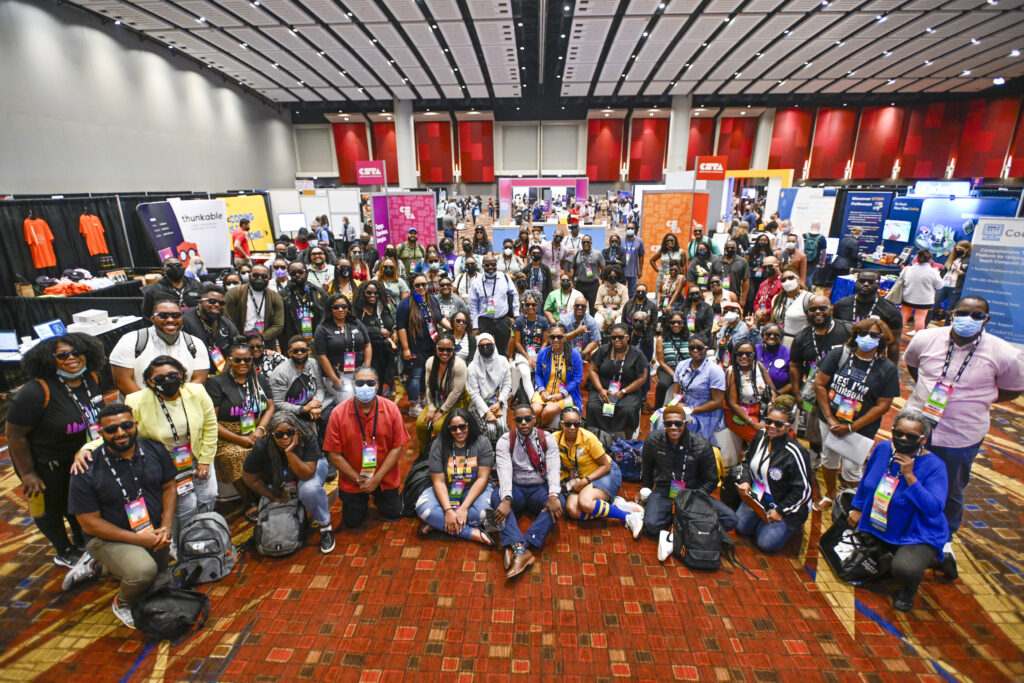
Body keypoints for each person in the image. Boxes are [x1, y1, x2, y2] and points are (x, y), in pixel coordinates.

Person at [903, 295, 1024, 575]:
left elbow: (1013, 389)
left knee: (952, 488)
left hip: (961, 435)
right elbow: (913, 366)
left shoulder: (1003, 353)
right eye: (963, 313)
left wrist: (977, 400)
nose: (968, 319)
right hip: (916, 426)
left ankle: (944, 539)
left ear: (987, 320)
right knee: (906, 475)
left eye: (977, 315)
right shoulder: (926, 338)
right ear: (951, 313)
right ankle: (906, 525)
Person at [72, 356, 219, 550]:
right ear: (149, 382)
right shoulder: (137, 400)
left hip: (197, 455)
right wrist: (85, 449)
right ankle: (177, 543)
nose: (167, 380)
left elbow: (210, 425)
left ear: (181, 375)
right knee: (185, 506)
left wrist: (205, 460)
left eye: (172, 375)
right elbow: (119, 429)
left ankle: (201, 533)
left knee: (209, 495)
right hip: (166, 461)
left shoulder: (197, 391)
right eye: (160, 379)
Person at [65, 404, 177, 627]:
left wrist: (166, 526)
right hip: (106, 537)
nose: (120, 433)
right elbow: (89, 523)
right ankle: (122, 603)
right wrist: (139, 540)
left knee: (163, 578)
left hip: (148, 529)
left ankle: (100, 567)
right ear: (100, 433)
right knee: (143, 572)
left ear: (135, 425)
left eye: (126, 426)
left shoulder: (154, 449)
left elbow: (169, 488)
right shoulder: (86, 468)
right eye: (111, 429)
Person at [7, 334, 106, 572]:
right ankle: (63, 550)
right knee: (49, 509)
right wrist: (28, 473)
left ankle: (82, 542)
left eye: (77, 352)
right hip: (44, 464)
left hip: (81, 459)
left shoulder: (91, 377)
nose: (71, 358)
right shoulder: (36, 391)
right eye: (62, 355)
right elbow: (15, 436)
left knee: (77, 504)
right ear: (49, 360)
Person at [845, 410, 949, 611]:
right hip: (881, 519)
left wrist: (910, 476)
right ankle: (894, 553)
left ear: (923, 439)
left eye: (910, 436)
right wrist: (857, 508)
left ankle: (914, 583)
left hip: (917, 530)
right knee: (842, 516)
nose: (902, 439)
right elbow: (866, 481)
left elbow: (933, 508)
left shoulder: (936, 466)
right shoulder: (883, 448)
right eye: (898, 433)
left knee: (905, 569)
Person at [814, 318, 900, 509]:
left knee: (852, 469)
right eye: (862, 333)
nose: (867, 338)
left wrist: (851, 427)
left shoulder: (887, 368)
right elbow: (819, 384)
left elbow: (883, 405)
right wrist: (830, 419)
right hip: (830, 420)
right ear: (854, 335)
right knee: (829, 458)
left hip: (860, 427)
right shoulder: (839, 355)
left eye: (874, 335)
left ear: (882, 339)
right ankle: (830, 494)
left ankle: (854, 503)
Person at [323, 367, 410, 528]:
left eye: (370, 383)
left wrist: (376, 479)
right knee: (352, 522)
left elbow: (397, 447)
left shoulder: (391, 409)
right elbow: (334, 454)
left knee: (393, 512)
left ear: (377, 385)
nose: (365, 387)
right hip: (353, 479)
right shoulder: (338, 413)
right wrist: (358, 478)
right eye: (360, 383)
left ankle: (380, 495)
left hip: (384, 476)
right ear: (353, 385)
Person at [641, 404, 738, 543]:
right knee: (651, 525)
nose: (673, 427)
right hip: (665, 490)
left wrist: (692, 498)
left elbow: (711, 480)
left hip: (694, 492)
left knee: (730, 519)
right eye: (669, 423)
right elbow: (647, 466)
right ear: (664, 424)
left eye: (678, 423)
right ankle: (689, 523)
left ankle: (682, 520)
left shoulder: (702, 444)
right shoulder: (653, 439)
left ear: (685, 423)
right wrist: (647, 490)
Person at [242, 413, 335, 554]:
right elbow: (248, 477)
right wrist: (272, 496)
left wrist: (289, 452)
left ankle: (325, 528)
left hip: (312, 466)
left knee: (309, 490)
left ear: (296, 430)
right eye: (279, 435)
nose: (285, 437)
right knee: (277, 490)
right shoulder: (263, 445)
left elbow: (308, 473)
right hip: (282, 476)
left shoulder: (307, 436)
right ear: (272, 435)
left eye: (290, 432)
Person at [490, 405, 564, 580]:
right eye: (519, 419)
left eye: (527, 418)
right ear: (513, 421)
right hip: (517, 489)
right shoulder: (505, 440)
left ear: (534, 419)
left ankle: (518, 546)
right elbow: (504, 470)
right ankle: (520, 550)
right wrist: (507, 498)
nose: (523, 423)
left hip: (540, 489)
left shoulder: (547, 439)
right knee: (495, 496)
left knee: (560, 500)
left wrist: (553, 494)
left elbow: (554, 468)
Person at [205, 339, 275, 523]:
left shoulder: (259, 379)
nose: (243, 364)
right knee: (231, 456)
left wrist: (260, 429)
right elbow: (212, 420)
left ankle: (268, 491)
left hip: (258, 427)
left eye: (247, 360)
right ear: (229, 360)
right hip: (228, 433)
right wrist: (238, 439)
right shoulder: (217, 383)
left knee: (275, 448)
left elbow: (270, 407)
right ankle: (249, 499)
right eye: (238, 360)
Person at [735, 395, 812, 553]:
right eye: (768, 421)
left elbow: (804, 491)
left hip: (784, 504)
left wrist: (781, 511)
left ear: (788, 427)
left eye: (779, 424)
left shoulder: (796, 452)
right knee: (740, 527)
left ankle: (790, 526)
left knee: (766, 544)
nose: (772, 426)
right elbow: (746, 461)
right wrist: (745, 480)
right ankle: (762, 522)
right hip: (758, 496)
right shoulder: (761, 436)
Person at [554, 406, 643, 533]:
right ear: (561, 424)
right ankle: (612, 505)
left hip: (606, 472)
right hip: (582, 478)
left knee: (585, 503)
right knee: (573, 510)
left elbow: (605, 466)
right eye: (568, 424)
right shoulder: (555, 439)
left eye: (576, 424)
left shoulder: (588, 438)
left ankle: (629, 517)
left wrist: (585, 480)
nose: (572, 428)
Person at [416, 409, 496, 545]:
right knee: (423, 508)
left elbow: (482, 478)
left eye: (462, 426)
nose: (458, 431)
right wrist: (448, 510)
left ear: (469, 425)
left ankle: (439, 524)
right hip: (447, 490)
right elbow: (439, 481)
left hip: (476, 490)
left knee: (486, 513)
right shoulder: (438, 444)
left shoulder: (483, 442)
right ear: (448, 429)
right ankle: (471, 533)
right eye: (453, 428)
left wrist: (464, 508)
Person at [788, 295, 851, 466]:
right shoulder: (802, 337)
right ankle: (815, 454)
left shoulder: (847, 330)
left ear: (830, 308)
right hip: (810, 394)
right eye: (813, 309)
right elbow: (795, 366)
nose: (818, 312)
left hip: (843, 393)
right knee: (811, 422)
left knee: (843, 424)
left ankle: (845, 461)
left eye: (822, 308)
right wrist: (797, 393)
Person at [109, 299, 209, 395]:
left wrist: (176, 404)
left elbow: (199, 381)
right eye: (163, 316)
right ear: (152, 318)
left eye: (176, 315)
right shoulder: (131, 340)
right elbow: (123, 382)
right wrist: (151, 406)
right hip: (141, 408)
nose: (170, 320)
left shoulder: (195, 344)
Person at [586, 323, 649, 437]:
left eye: (620, 337)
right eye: (613, 337)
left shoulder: (637, 354)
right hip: (603, 389)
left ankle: (628, 440)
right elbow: (592, 370)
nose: (616, 340)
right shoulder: (603, 350)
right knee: (593, 406)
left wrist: (623, 392)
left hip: (627, 391)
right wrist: (600, 390)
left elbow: (642, 378)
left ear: (628, 337)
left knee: (628, 410)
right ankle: (595, 438)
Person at [397, 275, 444, 417]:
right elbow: (401, 327)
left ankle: (424, 400)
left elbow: (440, 319)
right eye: (418, 285)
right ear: (412, 287)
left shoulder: (432, 300)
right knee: (415, 376)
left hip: (431, 345)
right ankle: (413, 405)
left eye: (424, 284)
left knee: (427, 375)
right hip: (414, 346)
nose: (422, 288)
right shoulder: (405, 304)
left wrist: (455, 328)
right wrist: (405, 348)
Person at [665, 333, 725, 443]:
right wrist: (676, 406)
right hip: (684, 408)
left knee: (677, 426)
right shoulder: (682, 365)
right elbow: (676, 392)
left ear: (707, 348)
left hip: (705, 414)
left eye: (700, 348)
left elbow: (718, 402)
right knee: (658, 418)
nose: (695, 351)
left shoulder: (715, 371)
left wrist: (691, 410)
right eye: (692, 348)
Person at [832, 270, 902, 363]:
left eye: (871, 282)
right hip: (843, 356)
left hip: (874, 360)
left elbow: (894, 344)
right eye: (862, 281)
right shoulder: (841, 305)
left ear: (878, 284)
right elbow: (834, 333)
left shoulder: (890, 311)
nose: (865, 284)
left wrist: (891, 369)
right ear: (856, 281)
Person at [416, 333, 470, 453]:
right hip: (437, 399)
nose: (444, 353)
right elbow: (428, 386)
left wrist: (441, 411)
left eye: (449, 350)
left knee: (439, 426)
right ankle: (423, 455)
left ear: (453, 350)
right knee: (421, 424)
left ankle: (445, 453)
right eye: (441, 349)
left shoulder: (459, 365)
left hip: (456, 401)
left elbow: (456, 392)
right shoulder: (430, 362)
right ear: (436, 348)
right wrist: (430, 408)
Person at [315, 293, 372, 405]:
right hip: (338, 375)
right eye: (336, 307)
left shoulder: (356, 323)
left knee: (365, 402)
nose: (340, 309)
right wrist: (334, 379)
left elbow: (367, 344)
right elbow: (321, 355)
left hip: (359, 371)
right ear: (329, 309)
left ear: (348, 308)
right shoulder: (322, 328)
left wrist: (367, 367)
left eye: (344, 306)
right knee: (348, 404)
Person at [270, 336, 327, 435]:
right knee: (306, 433)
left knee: (330, 415)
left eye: (303, 350)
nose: (300, 353)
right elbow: (278, 403)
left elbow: (320, 388)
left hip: (312, 406)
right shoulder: (280, 372)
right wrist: (303, 409)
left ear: (308, 351)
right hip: (290, 412)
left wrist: (316, 403)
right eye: (295, 351)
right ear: (289, 352)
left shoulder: (313, 363)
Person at [532, 323, 583, 427]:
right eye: (552, 337)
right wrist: (542, 391)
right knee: (535, 410)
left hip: (566, 393)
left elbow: (577, 378)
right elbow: (538, 375)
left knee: (548, 411)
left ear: (564, 337)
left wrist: (562, 394)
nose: (556, 340)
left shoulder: (574, 355)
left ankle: (538, 432)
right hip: (545, 391)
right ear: (548, 337)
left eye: (559, 336)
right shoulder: (542, 353)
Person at [725, 340, 776, 443]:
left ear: (754, 355)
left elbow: (772, 389)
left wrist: (771, 406)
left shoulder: (759, 366)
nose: (744, 356)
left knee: (786, 433)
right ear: (735, 355)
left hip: (762, 410)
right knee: (763, 438)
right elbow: (732, 404)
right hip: (740, 414)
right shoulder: (732, 372)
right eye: (740, 354)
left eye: (749, 354)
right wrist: (753, 423)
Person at [182, 283, 237, 375]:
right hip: (193, 375)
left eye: (221, 303)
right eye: (211, 301)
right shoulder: (185, 320)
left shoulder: (226, 323)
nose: (217, 305)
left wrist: (223, 375)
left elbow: (235, 349)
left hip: (221, 375)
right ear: (200, 302)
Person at [225, 264, 285, 347]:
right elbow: (228, 320)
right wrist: (241, 339)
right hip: (240, 344)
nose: (259, 279)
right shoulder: (234, 293)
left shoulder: (275, 297)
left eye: (264, 276)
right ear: (250, 276)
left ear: (269, 278)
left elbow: (279, 324)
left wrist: (260, 339)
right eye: (256, 275)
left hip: (266, 344)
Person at [467, 334, 513, 443]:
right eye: (481, 346)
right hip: (479, 404)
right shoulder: (472, 367)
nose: (485, 348)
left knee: (502, 427)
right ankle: (488, 453)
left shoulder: (503, 361)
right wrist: (487, 412)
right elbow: (474, 394)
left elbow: (507, 385)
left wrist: (500, 402)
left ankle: (502, 451)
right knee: (490, 430)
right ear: (478, 348)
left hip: (498, 402)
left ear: (494, 345)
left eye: (488, 345)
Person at [354, 280, 397, 395]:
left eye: (375, 292)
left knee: (381, 384)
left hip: (384, 352)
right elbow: (356, 328)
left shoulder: (383, 307)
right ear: (363, 293)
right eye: (369, 292)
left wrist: (394, 331)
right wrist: (378, 331)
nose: (373, 295)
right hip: (366, 353)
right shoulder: (356, 310)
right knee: (368, 384)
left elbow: (391, 323)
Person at [469, 255, 518, 356]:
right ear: (482, 266)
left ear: (496, 265)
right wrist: (475, 326)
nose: (490, 267)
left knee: (503, 351)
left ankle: (503, 371)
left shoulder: (504, 277)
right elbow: (473, 305)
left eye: (493, 264)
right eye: (487, 265)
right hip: (484, 321)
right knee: (484, 351)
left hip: (503, 320)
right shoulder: (476, 282)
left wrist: (514, 315)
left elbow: (514, 294)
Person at [512, 291, 549, 400]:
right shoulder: (519, 321)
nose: (530, 307)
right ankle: (533, 400)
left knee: (542, 372)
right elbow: (517, 342)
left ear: (538, 305)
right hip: (523, 355)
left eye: (533, 304)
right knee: (525, 373)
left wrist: (537, 357)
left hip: (539, 354)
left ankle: (540, 396)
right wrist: (528, 358)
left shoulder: (543, 321)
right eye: (528, 304)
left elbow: (545, 342)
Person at [281, 261, 328, 346]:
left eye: (300, 272)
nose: (297, 275)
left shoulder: (318, 292)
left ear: (306, 273)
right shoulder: (283, 295)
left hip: (318, 339)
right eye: (293, 273)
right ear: (289, 275)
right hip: (295, 341)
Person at [900, 249, 943, 336]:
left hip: (908, 297)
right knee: (920, 318)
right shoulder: (933, 272)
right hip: (924, 300)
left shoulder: (908, 269)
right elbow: (940, 286)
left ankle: (895, 335)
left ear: (917, 258)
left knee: (903, 316)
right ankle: (918, 338)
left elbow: (901, 280)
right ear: (930, 259)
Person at [654, 311, 689, 409]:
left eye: (679, 322)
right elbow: (661, 361)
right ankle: (657, 409)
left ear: (684, 323)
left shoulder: (690, 337)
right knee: (662, 385)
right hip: (668, 369)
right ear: (668, 323)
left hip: (686, 369)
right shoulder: (661, 339)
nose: (676, 325)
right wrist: (675, 375)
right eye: (673, 322)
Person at [933, 241, 970, 323]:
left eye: (960, 249)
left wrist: (958, 270)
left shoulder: (968, 260)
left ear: (966, 249)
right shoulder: (953, 258)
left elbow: (967, 276)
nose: (957, 250)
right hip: (945, 284)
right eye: (956, 248)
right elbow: (945, 270)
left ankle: (947, 326)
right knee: (935, 305)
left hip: (956, 287)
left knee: (950, 308)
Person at [570, 235, 604, 314]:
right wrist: (572, 281)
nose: (585, 244)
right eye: (584, 242)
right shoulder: (577, 253)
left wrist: (603, 283)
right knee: (579, 306)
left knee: (593, 308)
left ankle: (592, 324)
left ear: (591, 243)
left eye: (587, 242)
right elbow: (573, 268)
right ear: (581, 243)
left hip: (593, 285)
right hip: (580, 285)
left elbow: (603, 269)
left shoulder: (598, 253)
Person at [756, 324, 792, 394]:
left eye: (776, 335)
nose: (772, 336)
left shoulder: (788, 353)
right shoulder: (753, 350)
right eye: (768, 334)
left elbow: (793, 382)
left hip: (779, 394)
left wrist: (776, 394)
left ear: (781, 338)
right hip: (754, 393)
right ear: (762, 335)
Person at [593, 265, 629, 333]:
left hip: (618, 312)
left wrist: (616, 314)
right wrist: (603, 313)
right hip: (604, 311)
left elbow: (625, 305)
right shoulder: (601, 288)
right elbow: (598, 304)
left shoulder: (623, 288)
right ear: (607, 276)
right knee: (597, 321)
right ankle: (601, 339)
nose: (613, 278)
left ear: (618, 276)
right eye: (610, 276)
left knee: (618, 322)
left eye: (615, 276)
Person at [714, 300, 750, 365]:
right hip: (724, 360)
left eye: (733, 310)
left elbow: (737, 348)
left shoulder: (743, 328)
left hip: (737, 362)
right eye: (727, 310)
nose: (729, 312)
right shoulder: (725, 327)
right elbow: (719, 347)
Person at [716, 240, 750, 305]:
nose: (730, 249)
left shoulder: (742, 261)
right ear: (724, 249)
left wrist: (743, 299)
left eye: (732, 248)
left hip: (735, 296)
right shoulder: (716, 261)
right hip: (718, 296)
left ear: (736, 249)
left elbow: (746, 281)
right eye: (727, 248)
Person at [622, 224, 645, 296]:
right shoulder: (621, 240)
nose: (630, 230)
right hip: (622, 271)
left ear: (635, 230)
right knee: (621, 291)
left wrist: (640, 270)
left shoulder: (639, 241)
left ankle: (631, 306)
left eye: (632, 228)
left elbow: (641, 256)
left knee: (632, 292)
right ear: (626, 229)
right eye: (628, 228)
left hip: (633, 271)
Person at [803, 222, 827, 287]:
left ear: (811, 226)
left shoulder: (804, 235)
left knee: (801, 275)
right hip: (814, 260)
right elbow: (824, 251)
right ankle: (809, 291)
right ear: (819, 227)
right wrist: (822, 261)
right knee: (808, 276)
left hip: (803, 259)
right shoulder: (822, 238)